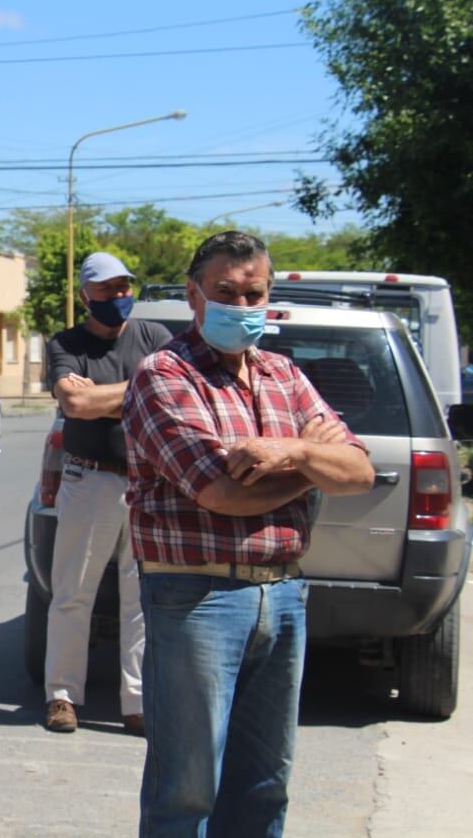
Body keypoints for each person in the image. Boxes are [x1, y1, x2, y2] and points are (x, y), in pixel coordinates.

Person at [123, 230, 375, 836]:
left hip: (284, 595)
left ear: (269, 295)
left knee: (265, 785)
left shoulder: (284, 375)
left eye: (253, 292)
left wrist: (285, 451)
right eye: (224, 292)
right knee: (186, 788)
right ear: (194, 295)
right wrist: (313, 466)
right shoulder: (165, 375)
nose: (241, 304)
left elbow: (360, 470)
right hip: (197, 599)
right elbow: (223, 493)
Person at [42, 252, 171, 735]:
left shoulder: (154, 337)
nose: (118, 297)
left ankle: (136, 702)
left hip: (146, 483)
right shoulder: (67, 344)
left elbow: (172, 393)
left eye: (123, 288)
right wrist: (141, 388)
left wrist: (105, 397)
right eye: (106, 290)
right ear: (85, 296)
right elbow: (75, 402)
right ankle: (62, 696)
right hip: (89, 480)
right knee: (73, 594)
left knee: (141, 598)